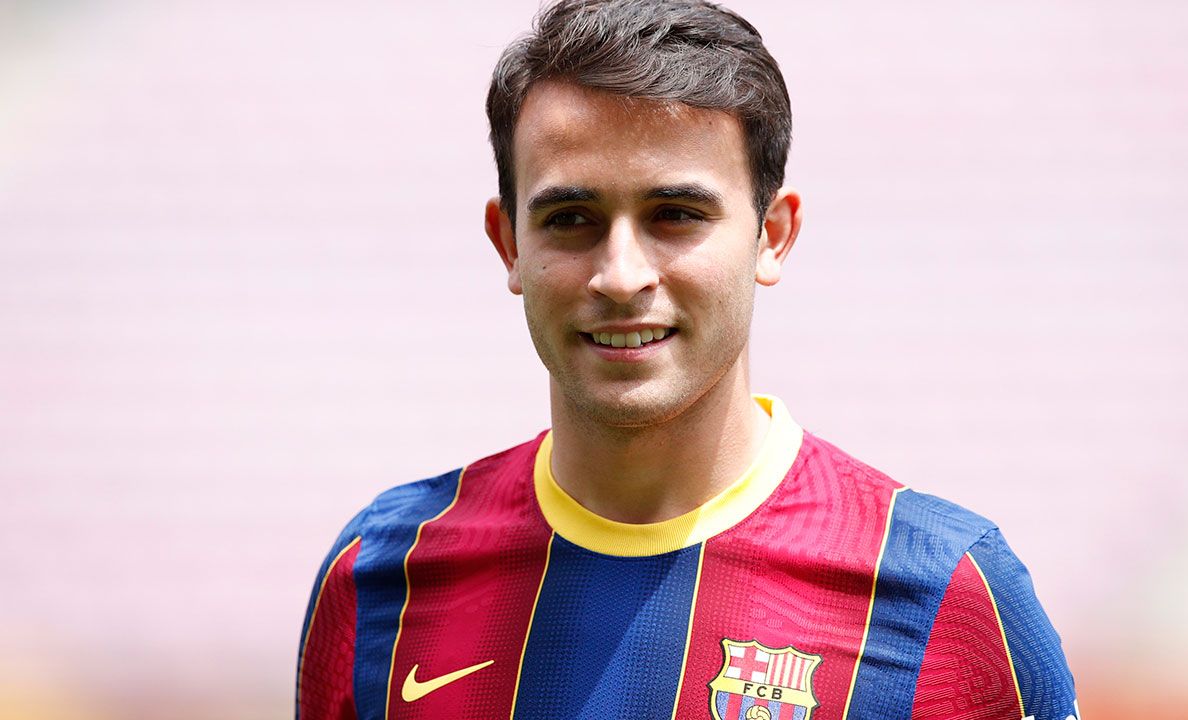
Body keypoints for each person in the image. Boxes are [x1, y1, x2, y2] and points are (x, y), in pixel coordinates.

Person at [296, 1, 1079, 719]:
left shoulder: (942, 594)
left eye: (675, 214)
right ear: (509, 244)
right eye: (570, 218)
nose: (621, 275)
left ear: (772, 235)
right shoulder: (380, 577)